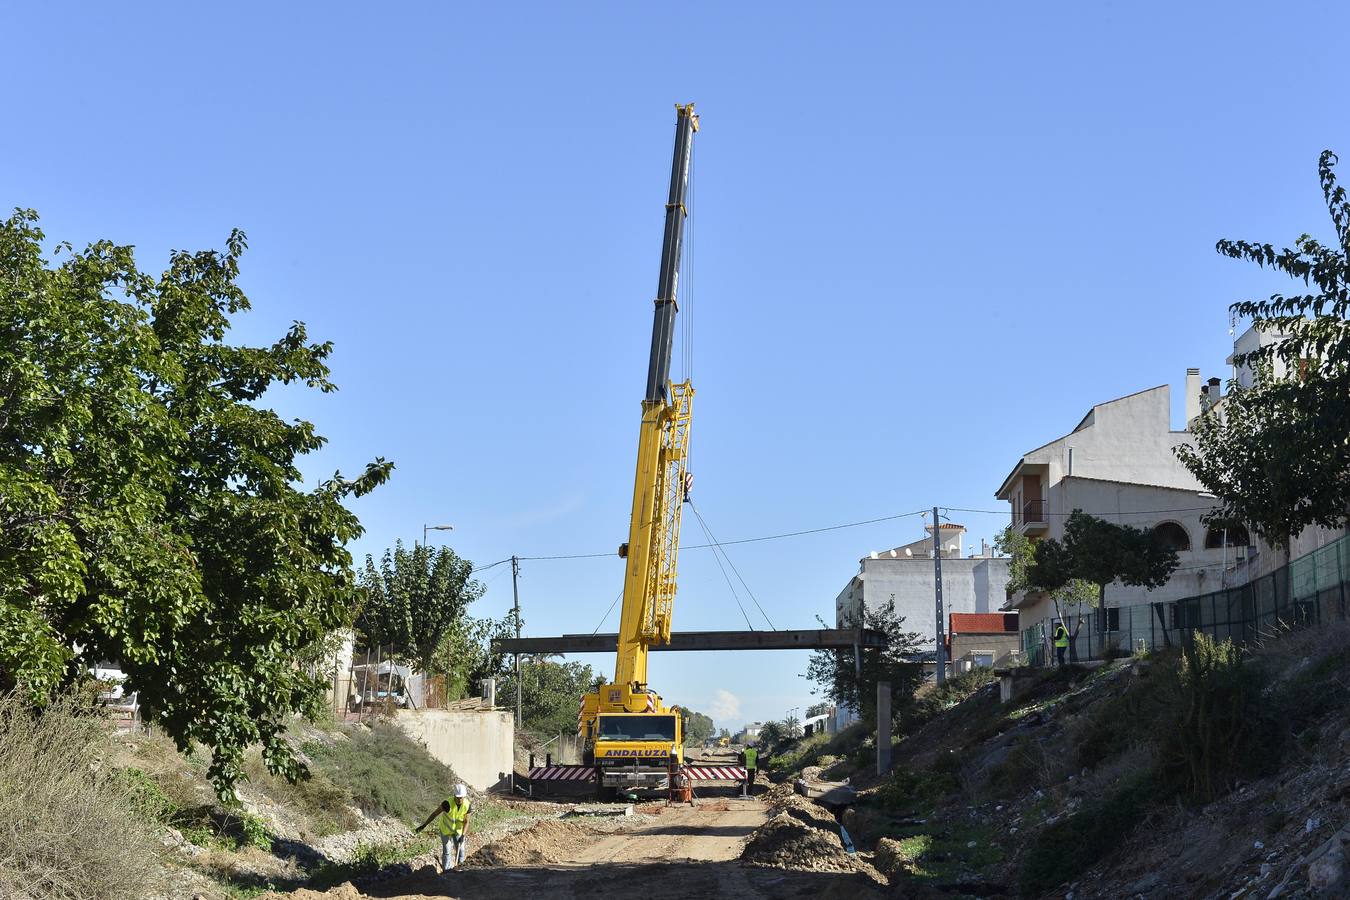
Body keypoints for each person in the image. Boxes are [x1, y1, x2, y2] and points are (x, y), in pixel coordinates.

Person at [416, 783, 472, 872]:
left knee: (461, 850)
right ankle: (447, 872)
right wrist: (424, 825)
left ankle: (461, 870)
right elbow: (435, 814)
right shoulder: (447, 804)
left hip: (458, 831)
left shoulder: (467, 805)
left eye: (461, 797)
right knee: (447, 852)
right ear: (454, 795)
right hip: (445, 830)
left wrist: (463, 835)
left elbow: (466, 821)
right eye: (457, 797)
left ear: (464, 796)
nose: (459, 799)